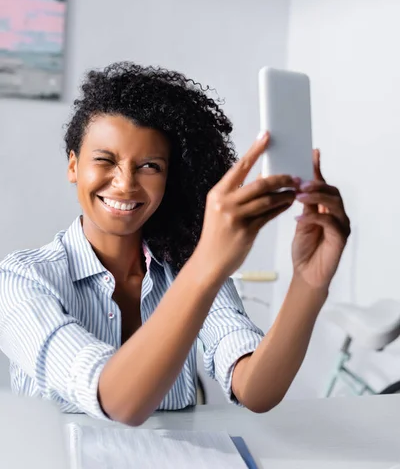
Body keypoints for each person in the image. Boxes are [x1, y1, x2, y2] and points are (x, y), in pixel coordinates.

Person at [0, 62, 350, 426]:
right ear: (73, 165)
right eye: (105, 160)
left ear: (171, 177)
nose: (125, 184)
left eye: (150, 166)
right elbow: (117, 402)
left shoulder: (185, 267)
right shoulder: (22, 280)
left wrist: (309, 283)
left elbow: (257, 390)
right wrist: (208, 263)